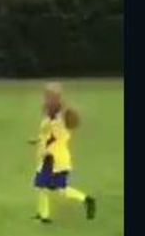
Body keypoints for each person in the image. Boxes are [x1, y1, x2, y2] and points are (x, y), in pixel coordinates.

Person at [31, 83, 97, 223]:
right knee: (41, 185)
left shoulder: (59, 120)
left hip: (55, 159)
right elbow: (46, 135)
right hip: (49, 158)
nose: (45, 99)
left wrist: (44, 144)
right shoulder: (52, 117)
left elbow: (53, 137)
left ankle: (86, 200)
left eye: (48, 97)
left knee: (60, 190)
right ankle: (44, 215)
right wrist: (37, 140)